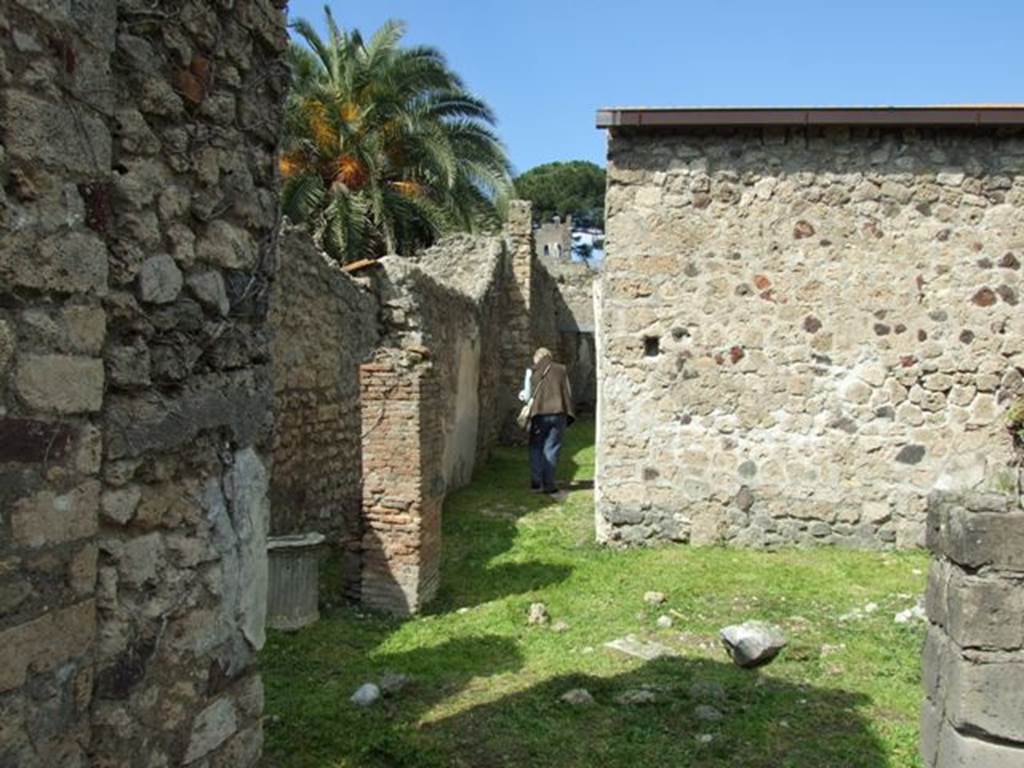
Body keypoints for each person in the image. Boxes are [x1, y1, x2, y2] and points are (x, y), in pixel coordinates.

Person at [518, 347, 575, 495]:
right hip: (559, 413)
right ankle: (549, 484)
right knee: (552, 447)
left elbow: (528, 395)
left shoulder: (531, 370)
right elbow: (568, 392)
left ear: (537, 358)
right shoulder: (561, 369)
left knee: (536, 447)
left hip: (539, 413)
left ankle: (537, 483)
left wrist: (522, 395)